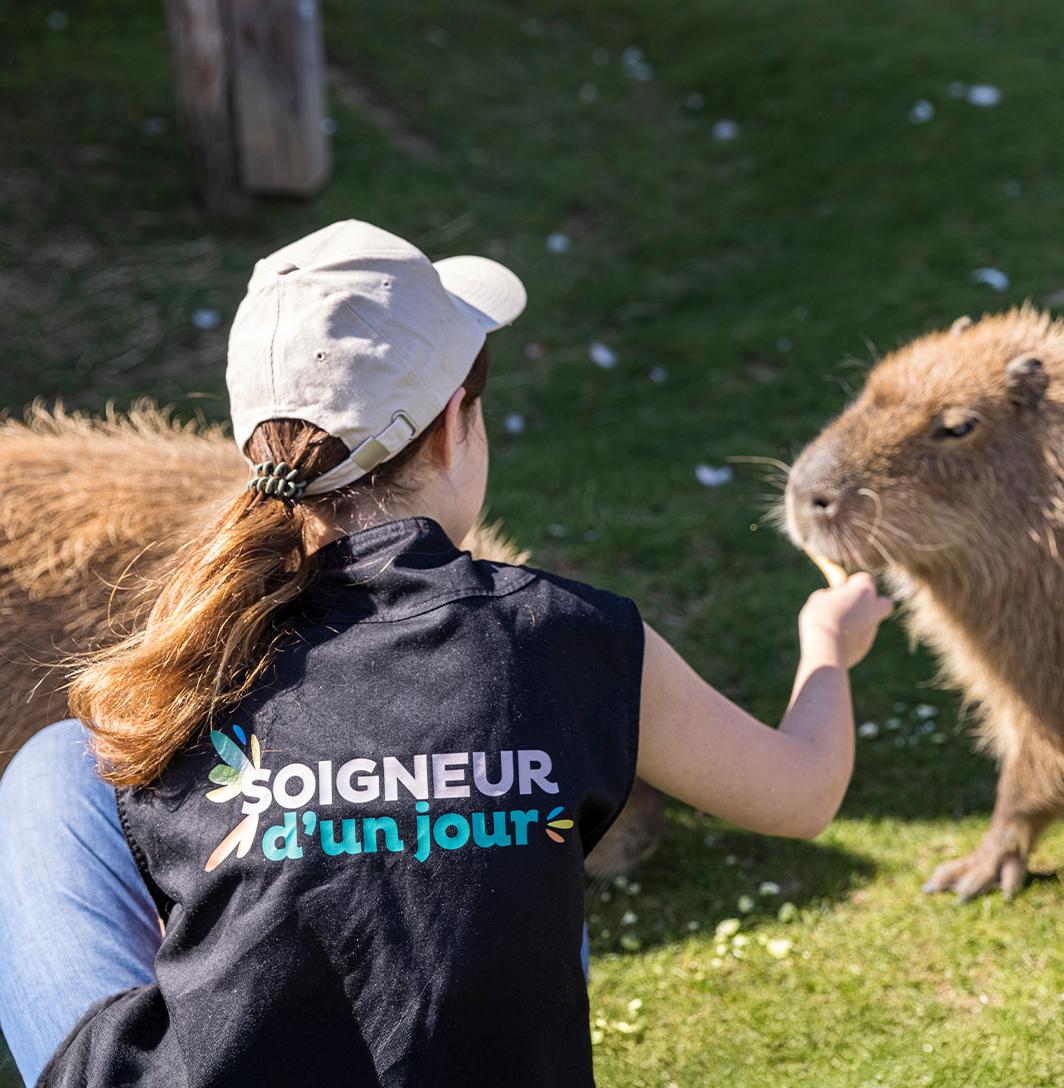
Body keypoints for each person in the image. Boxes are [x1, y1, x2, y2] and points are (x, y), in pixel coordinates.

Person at [0, 220, 892, 1087]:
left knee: (56, 766)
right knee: (529, 834)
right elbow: (804, 794)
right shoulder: (575, 637)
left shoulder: (191, 654)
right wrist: (828, 646)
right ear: (454, 427)